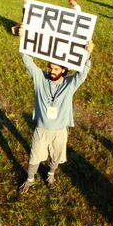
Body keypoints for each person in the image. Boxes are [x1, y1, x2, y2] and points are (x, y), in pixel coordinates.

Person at [18, 33, 94, 193]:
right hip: (41, 129)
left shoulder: (70, 84)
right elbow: (27, 61)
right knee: (34, 156)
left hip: (60, 131)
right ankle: (30, 179)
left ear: (64, 70)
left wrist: (88, 55)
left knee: (56, 157)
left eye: (56, 69)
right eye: (50, 67)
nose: (52, 71)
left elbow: (82, 74)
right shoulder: (40, 78)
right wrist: (23, 38)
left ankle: (50, 175)